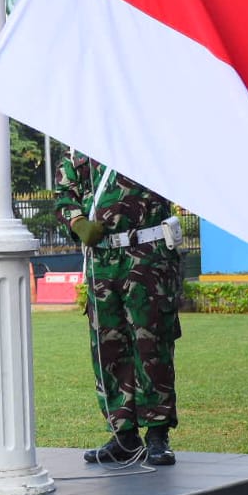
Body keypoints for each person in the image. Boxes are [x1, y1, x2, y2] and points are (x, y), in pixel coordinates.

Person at [54, 154, 182, 466]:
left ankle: (157, 433)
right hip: (102, 259)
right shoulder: (78, 146)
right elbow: (64, 193)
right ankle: (123, 434)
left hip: (147, 253)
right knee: (108, 347)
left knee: (151, 343)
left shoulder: (142, 134)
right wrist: (77, 221)